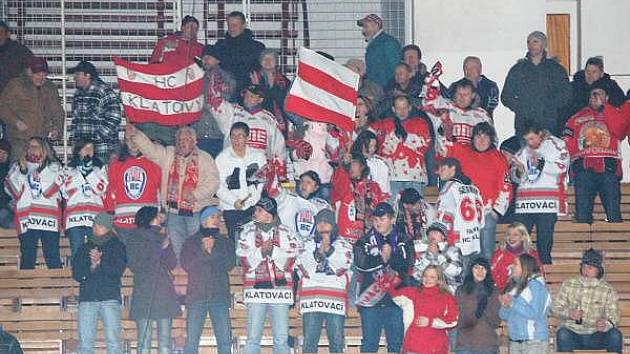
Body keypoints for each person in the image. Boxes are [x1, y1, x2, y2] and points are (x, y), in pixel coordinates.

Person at [125, 124, 220, 260]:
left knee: (195, 246)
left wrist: (196, 195)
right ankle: (180, 271)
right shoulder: (168, 154)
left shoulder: (205, 158)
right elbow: (150, 150)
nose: (182, 143)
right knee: (177, 247)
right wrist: (136, 135)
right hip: (173, 213)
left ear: (194, 142)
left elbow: (214, 182)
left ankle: (195, 274)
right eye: (179, 140)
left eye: (186, 140)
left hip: (196, 211)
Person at [236, 196, 300, 354]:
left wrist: (273, 251)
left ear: (269, 215)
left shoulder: (287, 232)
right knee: (252, 338)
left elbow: (291, 260)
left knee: (281, 338)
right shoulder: (247, 232)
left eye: (259, 210)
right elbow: (244, 261)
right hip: (255, 291)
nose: (255, 213)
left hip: (281, 292)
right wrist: (260, 252)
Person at [444, 123, 511, 260]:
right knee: (467, 254)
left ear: (491, 139)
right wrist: (446, 128)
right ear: (472, 138)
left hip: (487, 212)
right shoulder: (462, 152)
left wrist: (497, 211)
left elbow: (506, 186)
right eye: (478, 136)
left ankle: (487, 281)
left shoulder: (498, 158)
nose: (481, 140)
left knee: (486, 254)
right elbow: (445, 147)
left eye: (485, 137)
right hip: (465, 214)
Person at [354, 202, 414, 353]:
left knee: (396, 346)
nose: (378, 222)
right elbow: (360, 264)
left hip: (396, 301)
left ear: (392, 219)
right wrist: (382, 259)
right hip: (371, 302)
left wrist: (389, 257)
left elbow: (407, 265)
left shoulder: (404, 239)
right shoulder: (364, 240)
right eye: (375, 219)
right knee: (369, 346)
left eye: (382, 218)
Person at [563, 84, 627, 223]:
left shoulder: (615, 114)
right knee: (582, 214)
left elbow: (620, 131)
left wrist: (605, 108)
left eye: (599, 94)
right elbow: (566, 142)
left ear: (607, 97)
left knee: (613, 213)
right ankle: (583, 244)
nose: (595, 97)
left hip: (608, 168)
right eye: (593, 94)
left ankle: (615, 243)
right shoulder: (577, 117)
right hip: (584, 169)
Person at [125, 207, 181, 354]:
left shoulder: (162, 236)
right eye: (157, 216)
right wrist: (159, 248)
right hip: (145, 293)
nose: (161, 219)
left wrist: (167, 247)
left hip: (164, 293)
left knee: (165, 343)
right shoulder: (135, 237)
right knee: (144, 343)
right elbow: (136, 264)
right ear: (149, 218)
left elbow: (172, 263)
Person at [181, 206, 235, 354]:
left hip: (219, 296)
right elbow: (186, 265)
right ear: (203, 220)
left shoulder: (225, 242)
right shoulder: (191, 242)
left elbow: (229, 264)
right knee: (191, 343)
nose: (217, 220)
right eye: (213, 217)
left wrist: (211, 251)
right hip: (196, 296)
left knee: (225, 341)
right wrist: (203, 250)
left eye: (218, 217)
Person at [298, 209, 353, 353]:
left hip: (334, 299)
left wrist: (328, 250)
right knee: (309, 344)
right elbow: (303, 266)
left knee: (336, 344)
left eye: (326, 222)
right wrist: (319, 253)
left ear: (333, 225)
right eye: (319, 222)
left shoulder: (343, 244)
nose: (322, 225)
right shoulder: (307, 243)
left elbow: (342, 266)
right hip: (312, 299)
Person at [512, 125, 569, 264]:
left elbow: (563, 167)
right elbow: (514, 176)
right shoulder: (522, 151)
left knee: (544, 246)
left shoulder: (557, 144)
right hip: (524, 205)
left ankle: (545, 279)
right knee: (519, 246)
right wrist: (518, 171)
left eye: (532, 138)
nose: (529, 143)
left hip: (546, 204)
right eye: (526, 140)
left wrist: (541, 164)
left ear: (540, 133)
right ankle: (519, 275)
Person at [72, 212, 127, 354]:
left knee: (114, 344)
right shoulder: (84, 247)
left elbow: (117, 270)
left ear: (107, 227)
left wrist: (100, 263)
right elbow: (77, 274)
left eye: (99, 225)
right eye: (95, 225)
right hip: (88, 298)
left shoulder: (117, 246)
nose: (95, 228)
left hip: (109, 297)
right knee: (85, 346)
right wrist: (92, 266)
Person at [4, 137, 63, 269]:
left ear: (44, 149)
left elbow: (50, 190)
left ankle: (58, 286)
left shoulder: (54, 166)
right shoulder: (17, 166)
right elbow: (13, 191)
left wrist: (38, 173)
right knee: (28, 255)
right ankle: (26, 288)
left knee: (52, 254)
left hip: (48, 217)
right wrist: (23, 172)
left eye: (36, 146)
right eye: (30, 146)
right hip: (27, 217)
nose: (32, 149)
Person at [501, 31, 572, 136]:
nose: (531, 45)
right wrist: (521, 107)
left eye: (535, 41)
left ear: (543, 45)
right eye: (528, 42)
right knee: (527, 153)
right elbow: (506, 96)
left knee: (548, 152)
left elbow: (566, 94)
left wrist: (549, 106)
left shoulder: (555, 69)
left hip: (548, 123)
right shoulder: (518, 69)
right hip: (524, 125)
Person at [552, 248, 622, 353]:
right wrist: (568, 313)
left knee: (615, 335)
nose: (585, 271)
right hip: (573, 332)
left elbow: (614, 316)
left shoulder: (607, 289)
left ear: (599, 270)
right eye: (584, 267)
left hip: (597, 334)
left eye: (590, 268)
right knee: (562, 334)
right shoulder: (569, 284)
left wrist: (606, 324)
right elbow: (555, 308)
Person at [0, 57, 63, 160]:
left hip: (42, 139)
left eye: (44, 74)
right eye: (37, 74)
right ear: (29, 71)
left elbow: (58, 112)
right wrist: (16, 122)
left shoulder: (50, 88)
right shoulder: (15, 85)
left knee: (53, 167)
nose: (41, 77)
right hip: (20, 139)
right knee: (18, 170)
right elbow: (2, 106)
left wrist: (57, 129)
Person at [370, 95, 432, 199]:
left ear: (410, 108)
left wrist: (405, 137)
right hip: (392, 176)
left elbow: (425, 143)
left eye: (404, 108)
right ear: (393, 109)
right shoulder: (385, 124)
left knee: (417, 210)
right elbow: (371, 134)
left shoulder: (420, 123)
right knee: (392, 209)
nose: (402, 111)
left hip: (415, 176)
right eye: (398, 108)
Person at [389, 265, 458, 354]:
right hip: (412, 346)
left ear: (439, 280)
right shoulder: (412, 292)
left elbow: (453, 320)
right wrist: (388, 281)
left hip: (436, 348)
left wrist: (431, 322)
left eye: (432, 277)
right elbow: (395, 295)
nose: (427, 279)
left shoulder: (447, 297)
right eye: (425, 276)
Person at [209, 83, 286, 163]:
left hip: (260, 166)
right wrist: (218, 93)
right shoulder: (233, 112)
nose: (247, 99)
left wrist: (276, 164)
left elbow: (279, 147)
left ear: (260, 100)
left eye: (251, 96)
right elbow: (217, 104)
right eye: (246, 95)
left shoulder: (269, 119)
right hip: (234, 162)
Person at [215, 122, 266, 241]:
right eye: (233, 136)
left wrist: (253, 201)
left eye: (240, 136)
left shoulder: (258, 156)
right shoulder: (222, 158)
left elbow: (261, 180)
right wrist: (234, 201)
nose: (236, 140)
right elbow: (218, 185)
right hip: (231, 209)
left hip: (254, 207)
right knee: (237, 242)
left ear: (247, 138)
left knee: (255, 241)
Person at [61, 139, 108, 258]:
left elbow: (102, 189)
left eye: (91, 148)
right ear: (78, 151)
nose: (88, 151)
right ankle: (78, 276)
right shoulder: (68, 169)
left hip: (96, 219)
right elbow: (65, 192)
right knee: (77, 253)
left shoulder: (101, 169)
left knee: (97, 253)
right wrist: (81, 175)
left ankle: (96, 276)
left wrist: (90, 174)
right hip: (75, 219)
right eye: (85, 148)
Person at [104, 131, 161, 229]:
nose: (133, 142)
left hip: (148, 220)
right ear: (125, 142)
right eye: (129, 139)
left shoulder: (154, 164)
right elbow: (110, 191)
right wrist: (110, 211)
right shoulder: (116, 165)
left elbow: (160, 191)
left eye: (135, 139)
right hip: (123, 221)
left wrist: (161, 213)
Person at [435, 158, 484, 268]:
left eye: (443, 168)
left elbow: (443, 215)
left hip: (457, 238)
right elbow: (482, 217)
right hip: (474, 237)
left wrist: (437, 234)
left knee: (456, 273)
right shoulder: (474, 187)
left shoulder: (450, 186)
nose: (439, 172)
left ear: (453, 168)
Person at [69, 60, 122, 164]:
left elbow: (114, 118)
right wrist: (74, 142)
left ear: (87, 75)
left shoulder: (104, 91)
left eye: (77, 74)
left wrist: (93, 141)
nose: (74, 77)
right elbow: (75, 121)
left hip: (102, 152)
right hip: (81, 152)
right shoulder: (77, 95)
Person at [499, 254, 550, 354]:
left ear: (525, 266)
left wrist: (512, 303)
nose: (512, 266)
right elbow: (503, 316)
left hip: (534, 342)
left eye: (515, 264)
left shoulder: (536, 287)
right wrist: (505, 306)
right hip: (515, 341)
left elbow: (536, 314)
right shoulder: (513, 287)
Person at [331, 154, 389, 243]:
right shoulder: (345, 184)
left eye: (353, 163)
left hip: (367, 237)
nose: (350, 167)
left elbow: (379, 212)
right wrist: (343, 165)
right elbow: (338, 185)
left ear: (362, 167)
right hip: (344, 236)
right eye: (349, 164)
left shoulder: (373, 187)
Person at [191, 44, 235, 158]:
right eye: (204, 57)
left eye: (209, 57)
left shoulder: (226, 78)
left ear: (217, 60)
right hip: (198, 133)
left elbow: (228, 96)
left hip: (218, 133)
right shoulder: (195, 77)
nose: (205, 60)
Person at [424, 78, 492, 152]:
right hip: (445, 157)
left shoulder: (482, 115)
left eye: (466, 95)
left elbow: (491, 140)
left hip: (471, 158)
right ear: (454, 94)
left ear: (473, 95)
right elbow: (429, 102)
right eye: (459, 94)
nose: (462, 98)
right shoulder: (444, 106)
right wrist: (432, 80)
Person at [455, 256, 502, 354]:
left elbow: (496, 322)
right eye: (476, 267)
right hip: (465, 345)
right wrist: (478, 309)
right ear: (470, 270)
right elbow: (461, 320)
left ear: (487, 271)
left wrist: (484, 303)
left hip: (488, 345)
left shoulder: (494, 291)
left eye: (483, 268)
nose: (480, 271)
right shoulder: (461, 290)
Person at [563, 56, 626, 124]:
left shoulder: (611, 87)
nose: (590, 75)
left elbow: (620, 107)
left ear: (601, 74)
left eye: (594, 72)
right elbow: (566, 108)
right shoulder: (575, 86)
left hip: (604, 125)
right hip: (577, 124)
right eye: (587, 71)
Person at [215, 11, 266, 92]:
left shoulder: (257, 47)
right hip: (224, 91)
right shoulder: (220, 46)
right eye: (229, 25)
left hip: (248, 92)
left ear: (244, 25)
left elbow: (258, 72)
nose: (231, 29)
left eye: (234, 25)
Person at [491, 222, 543, 292]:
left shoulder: (531, 254)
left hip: (526, 292)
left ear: (523, 237)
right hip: (503, 292)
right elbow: (492, 276)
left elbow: (538, 275)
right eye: (509, 234)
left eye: (515, 235)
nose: (511, 237)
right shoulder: (499, 254)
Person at [412, 221, 463, 293]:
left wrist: (437, 255)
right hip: (430, 292)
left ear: (443, 236)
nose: (431, 235)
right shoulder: (424, 254)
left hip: (451, 291)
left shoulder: (453, 250)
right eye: (429, 233)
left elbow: (455, 271)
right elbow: (416, 276)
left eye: (435, 232)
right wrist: (428, 257)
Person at [250, 49, 291, 135]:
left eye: (271, 59)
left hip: (278, 121)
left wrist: (272, 86)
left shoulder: (284, 82)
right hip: (258, 120)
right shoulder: (253, 77)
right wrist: (257, 87)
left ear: (276, 62)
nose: (268, 61)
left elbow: (284, 103)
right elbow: (251, 101)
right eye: (265, 59)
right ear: (260, 62)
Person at [357, 13, 401, 87]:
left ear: (376, 26)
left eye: (366, 26)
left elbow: (395, 67)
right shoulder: (377, 42)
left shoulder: (388, 42)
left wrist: (389, 88)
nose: (363, 30)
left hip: (383, 88)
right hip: (375, 86)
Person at [353, 130, 391, 195]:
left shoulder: (379, 163)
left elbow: (384, 188)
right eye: (370, 146)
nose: (373, 149)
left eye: (375, 146)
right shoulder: (353, 160)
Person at [0, 20, 33, 94]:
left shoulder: (20, 51)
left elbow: (33, 69)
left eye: (1, 32)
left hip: (14, 94)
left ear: (8, 34)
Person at [0, 122, 12, 229]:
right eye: (0, 152)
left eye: (5, 153)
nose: (2, 156)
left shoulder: (11, 169)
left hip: (6, 206)